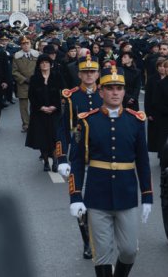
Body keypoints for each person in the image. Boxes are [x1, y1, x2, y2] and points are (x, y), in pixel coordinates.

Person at [68, 67, 153, 277]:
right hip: (97, 196)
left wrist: (147, 196)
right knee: (103, 253)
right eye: (110, 88)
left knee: (129, 250)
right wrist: (75, 196)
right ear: (101, 92)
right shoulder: (87, 121)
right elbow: (77, 162)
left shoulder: (135, 120)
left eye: (119, 88)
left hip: (126, 194)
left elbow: (143, 161)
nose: (115, 93)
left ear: (124, 92)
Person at [56, 55, 102, 261]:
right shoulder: (71, 96)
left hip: (101, 152)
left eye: (92, 72)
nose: (89, 75)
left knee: (100, 198)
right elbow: (63, 128)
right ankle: (87, 241)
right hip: (78, 152)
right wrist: (62, 157)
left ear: (98, 74)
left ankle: (102, 237)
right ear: (80, 74)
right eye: (85, 72)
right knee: (78, 197)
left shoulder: (105, 94)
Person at [26, 55, 63, 172]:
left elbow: (63, 93)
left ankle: (55, 161)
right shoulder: (34, 78)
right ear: (39, 65)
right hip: (39, 113)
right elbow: (31, 96)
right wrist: (41, 107)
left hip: (55, 112)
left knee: (55, 137)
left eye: (47, 62)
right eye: (42, 63)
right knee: (42, 138)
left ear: (51, 64)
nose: (44, 65)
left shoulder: (57, 77)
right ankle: (46, 161)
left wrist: (55, 106)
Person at [12, 37, 39, 133]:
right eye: (23, 44)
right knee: (23, 106)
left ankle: (35, 123)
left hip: (36, 83)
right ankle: (26, 124)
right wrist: (24, 79)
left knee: (35, 104)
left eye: (27, 43)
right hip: (23, 84)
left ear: (30, 44)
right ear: (21, 45)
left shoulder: (37, 55)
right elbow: (14, 71)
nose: (26, 45)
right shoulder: (17, 56)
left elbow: (41, 68)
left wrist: (36, 78)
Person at [144, 58, 167, 154]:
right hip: (155, 111)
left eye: (164, 66)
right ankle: (160, 153)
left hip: (167, 111)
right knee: (157, 134)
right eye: (160, 66)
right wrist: (148, 113)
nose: (162, 68)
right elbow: (147, 97)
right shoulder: (151, 79)